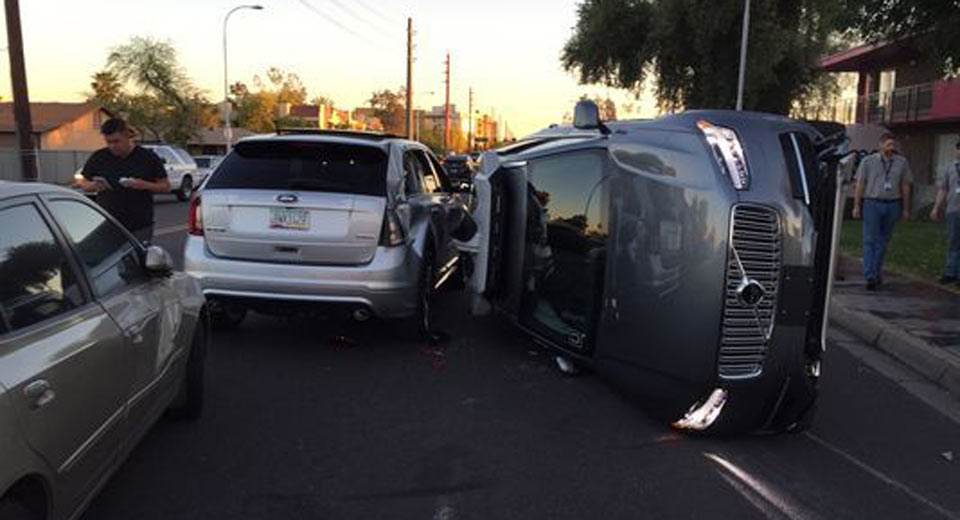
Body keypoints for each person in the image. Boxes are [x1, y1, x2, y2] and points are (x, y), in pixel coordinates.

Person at [76, 118, 170, 243]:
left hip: (139, 225)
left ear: (128, 137)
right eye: (108, 142)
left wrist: (144, 185)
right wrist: (90, 186)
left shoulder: (147, 157)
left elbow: (165, 186)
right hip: (107, 223)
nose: (112, 146)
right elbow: (82, 180)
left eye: (116, 141)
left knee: (138, 260)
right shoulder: (99, 157)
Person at [852, 133, 914, 291]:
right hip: (872, 203)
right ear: (880, 145)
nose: (891, 148)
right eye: (888, 144)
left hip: (893, 203)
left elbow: (905, 185)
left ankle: (876, 271)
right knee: (870, 240)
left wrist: (906, 208)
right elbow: (860, 184)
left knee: (883, 242)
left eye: (893, 144)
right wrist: (857, 206)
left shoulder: (902, 162)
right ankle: (870, 275)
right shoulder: (868, 161)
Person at [931, 140, 960, 284]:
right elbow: (943, 189)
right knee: (953, 242)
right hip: (953, 210)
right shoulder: (949, 168)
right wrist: (936, 207)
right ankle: (950, 272)